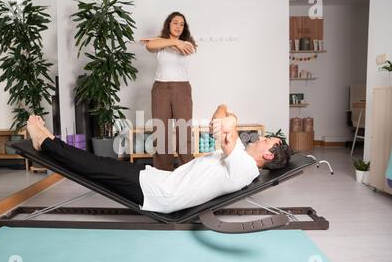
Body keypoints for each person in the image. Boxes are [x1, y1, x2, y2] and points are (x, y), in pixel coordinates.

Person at [26, 105, 292, 214]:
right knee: (96, 166)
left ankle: (46, 143)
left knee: (93, 167)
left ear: (268, 154)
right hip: (159, 182)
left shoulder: (245, 167)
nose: (264, 137)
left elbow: (225, 124)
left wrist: (230, 121)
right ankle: (50, 142)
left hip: (160, 193)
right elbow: (220, 114)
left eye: (270, 140)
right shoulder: (241, 159)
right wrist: (226, 118)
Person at [140, 12, 197, 171]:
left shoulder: (188, 44)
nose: (179, 26)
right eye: (175, 23)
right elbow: (149, 46)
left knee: (183, 131)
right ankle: (162, 171)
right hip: (161, 89)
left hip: (182, 89)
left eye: (182, 24)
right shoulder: (159, 44)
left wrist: (168, 42)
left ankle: (188, 170)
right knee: (161, 131)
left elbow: (183, 48)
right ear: (168, 24)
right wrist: (168, 42)